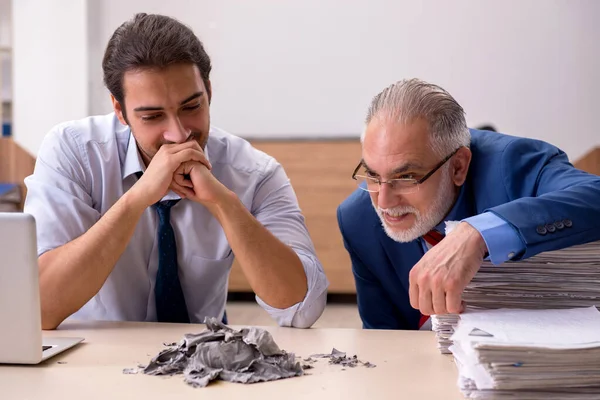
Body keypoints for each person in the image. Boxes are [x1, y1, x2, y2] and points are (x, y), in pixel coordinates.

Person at [24, 13, 328, 330]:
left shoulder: (254, 171)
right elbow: (39, 310)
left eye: (191, 107)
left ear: (208, 92)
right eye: (153, 116)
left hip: (198, 360)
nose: (178, 133)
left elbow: (302, 310)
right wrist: (136, 200)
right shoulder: (73, 151)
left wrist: (225, 205)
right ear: (120, 110)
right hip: (91, 358)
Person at [337, 78, 600, 330]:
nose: (383, 201)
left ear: (458, 167)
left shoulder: (513, 165)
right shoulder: (358, 219)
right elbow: (383, 342)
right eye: (372, 174)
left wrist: (479, 233)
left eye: (406, 177)